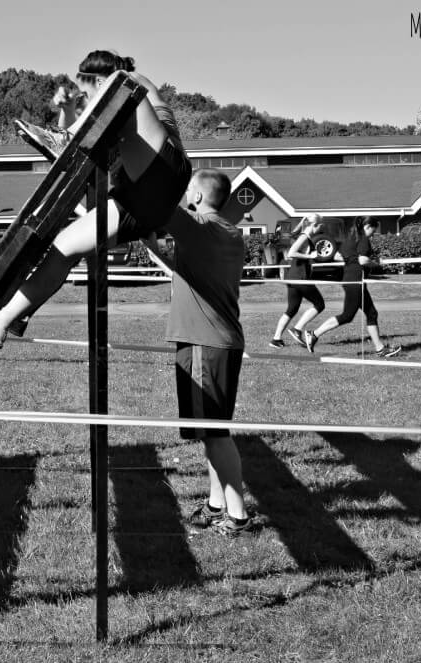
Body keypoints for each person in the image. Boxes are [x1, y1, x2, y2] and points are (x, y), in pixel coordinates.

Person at [0, 50, 191, 347]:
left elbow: (113, 98)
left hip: (166, 170)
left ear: (97, 80)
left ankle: (64, 136)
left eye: (84, 94)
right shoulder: (111, 115)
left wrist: (67, 129)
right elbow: (91, 142)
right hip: (139, 204)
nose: (84, 103)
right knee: (61, 250)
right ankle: (2, 320)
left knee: (121, 87)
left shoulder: (130, 80)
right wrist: (68, 110)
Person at [164, 169, 256, 537]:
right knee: (211, 431)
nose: (186, 195)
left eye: (189, 190)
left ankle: (238, 515)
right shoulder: (227, 232)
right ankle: (217, 504)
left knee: (216, 434)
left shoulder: (199, 228)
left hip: (205, 343)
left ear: (199, 198)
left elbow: (157, 206)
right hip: (219, 342)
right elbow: (190, 271)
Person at [303, 216, 401, 357]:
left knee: (371, 313)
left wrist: (351, 259)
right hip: (355, 282)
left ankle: (380, 349)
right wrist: (375, 263)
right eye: (373, 231)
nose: (373, 234)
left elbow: (337, 256)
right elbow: (362, 259)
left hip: (350, 279)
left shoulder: (350, 239)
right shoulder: (363, 239)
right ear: (368, 227)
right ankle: (313, 334)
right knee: (347, 316)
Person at [269, 214, 327, 348]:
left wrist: (302, 222)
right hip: (300, 278)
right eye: (320, 226)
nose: (321, 229)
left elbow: (294, 233)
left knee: (292, 308)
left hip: (292, 277)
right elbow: (291, 253)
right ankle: (297, 329)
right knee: (319, 304)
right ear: (315, 225)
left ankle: (276, 339)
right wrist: (309, 256)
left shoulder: (301, 235)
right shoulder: (304, 237)